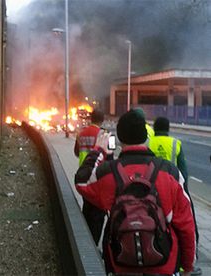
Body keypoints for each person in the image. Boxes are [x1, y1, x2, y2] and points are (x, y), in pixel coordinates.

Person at [75, 109, 195, 276]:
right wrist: (187, 266)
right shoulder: (169, 173)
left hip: (121, 264)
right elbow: (186, 226)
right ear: (146, 137)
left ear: (119, 139)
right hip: (164, 266)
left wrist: (99, 150)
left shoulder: (108, 173)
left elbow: (82, 181)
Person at [148, 116, 202, 276]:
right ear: (168, 128)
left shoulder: (149, 142)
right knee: (185, 225)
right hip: (173, 188)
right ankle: (183, 264)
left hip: (152, 188)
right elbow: (183, 171)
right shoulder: (175, 144)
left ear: (155, 129)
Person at [74, 108, 108, 246]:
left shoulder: (81, 134)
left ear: (90, 119)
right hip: (99, 177)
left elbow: (76, 152)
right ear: (102, 119)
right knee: (98, 213)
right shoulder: (104, 135)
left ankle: (85, 239)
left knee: (87, 207)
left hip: (83, 176)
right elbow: (110, 157)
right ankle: (93, 244)